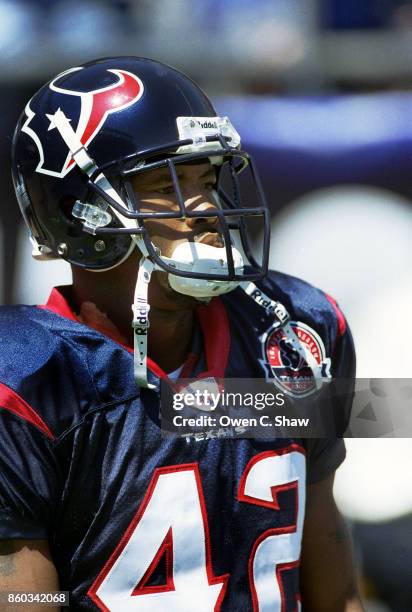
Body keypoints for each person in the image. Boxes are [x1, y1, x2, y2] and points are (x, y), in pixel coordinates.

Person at [0, 57, 362, 611]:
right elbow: (27, 596)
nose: (204, 209)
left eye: (206, 179)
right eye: (164, 187)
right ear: (79, 216)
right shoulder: (28, 381)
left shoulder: (296, 328)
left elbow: (334, 593)